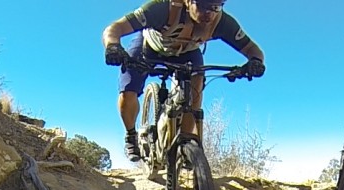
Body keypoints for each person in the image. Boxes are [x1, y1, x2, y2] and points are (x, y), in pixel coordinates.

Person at [102, 0, 265, 161]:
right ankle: (131, 135)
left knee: (194, 98)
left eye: (215, 7)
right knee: (128, 92)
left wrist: (256, 62)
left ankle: (185, 144)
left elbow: (254, 50)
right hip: (149, 47)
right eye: (202, 5)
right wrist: (113, 46)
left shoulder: (222, 22)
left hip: (187, 54)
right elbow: (114, 28)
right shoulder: (162, 8)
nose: (209, 13)